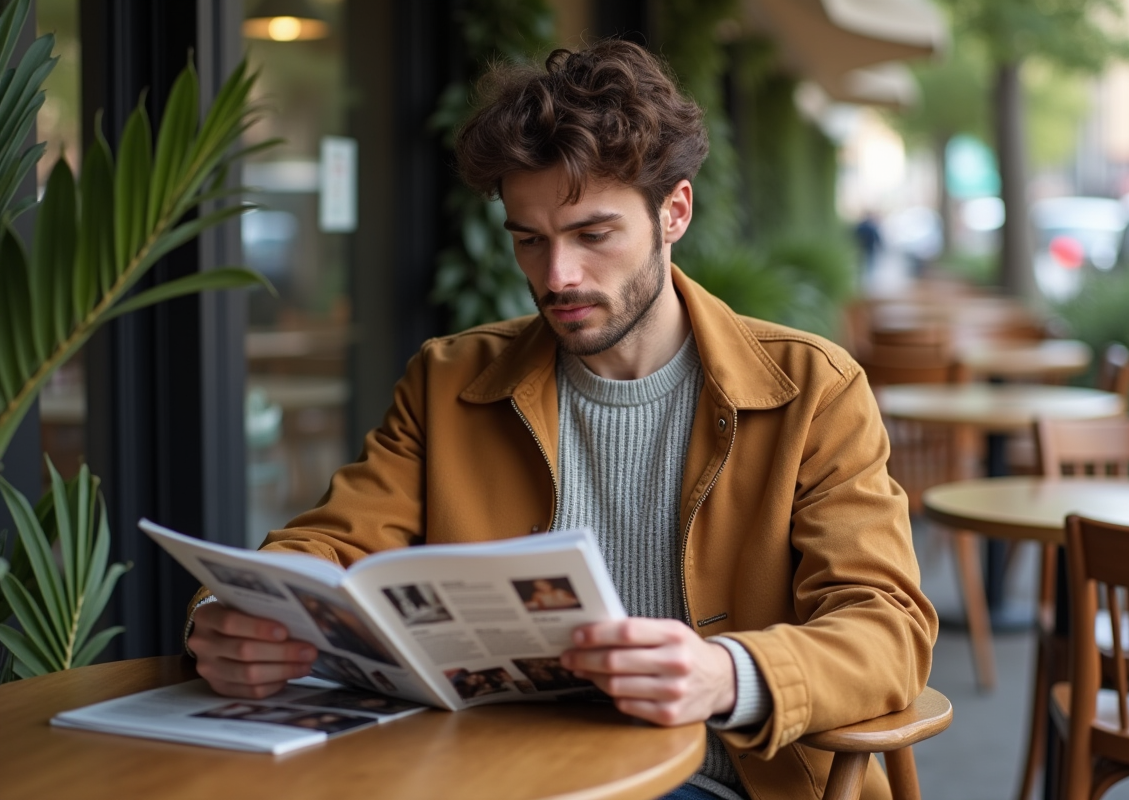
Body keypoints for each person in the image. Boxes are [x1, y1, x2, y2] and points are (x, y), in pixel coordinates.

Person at [185, 40, 936, 800]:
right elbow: (330, 544)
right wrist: (236, 616)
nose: (558, 276)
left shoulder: (811, 390)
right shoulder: (450, 381)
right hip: (482, 773)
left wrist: (727, 675)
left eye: (593, 235)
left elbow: (885, 625)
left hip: (714, 783)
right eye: (529, 240)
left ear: (674, 211)